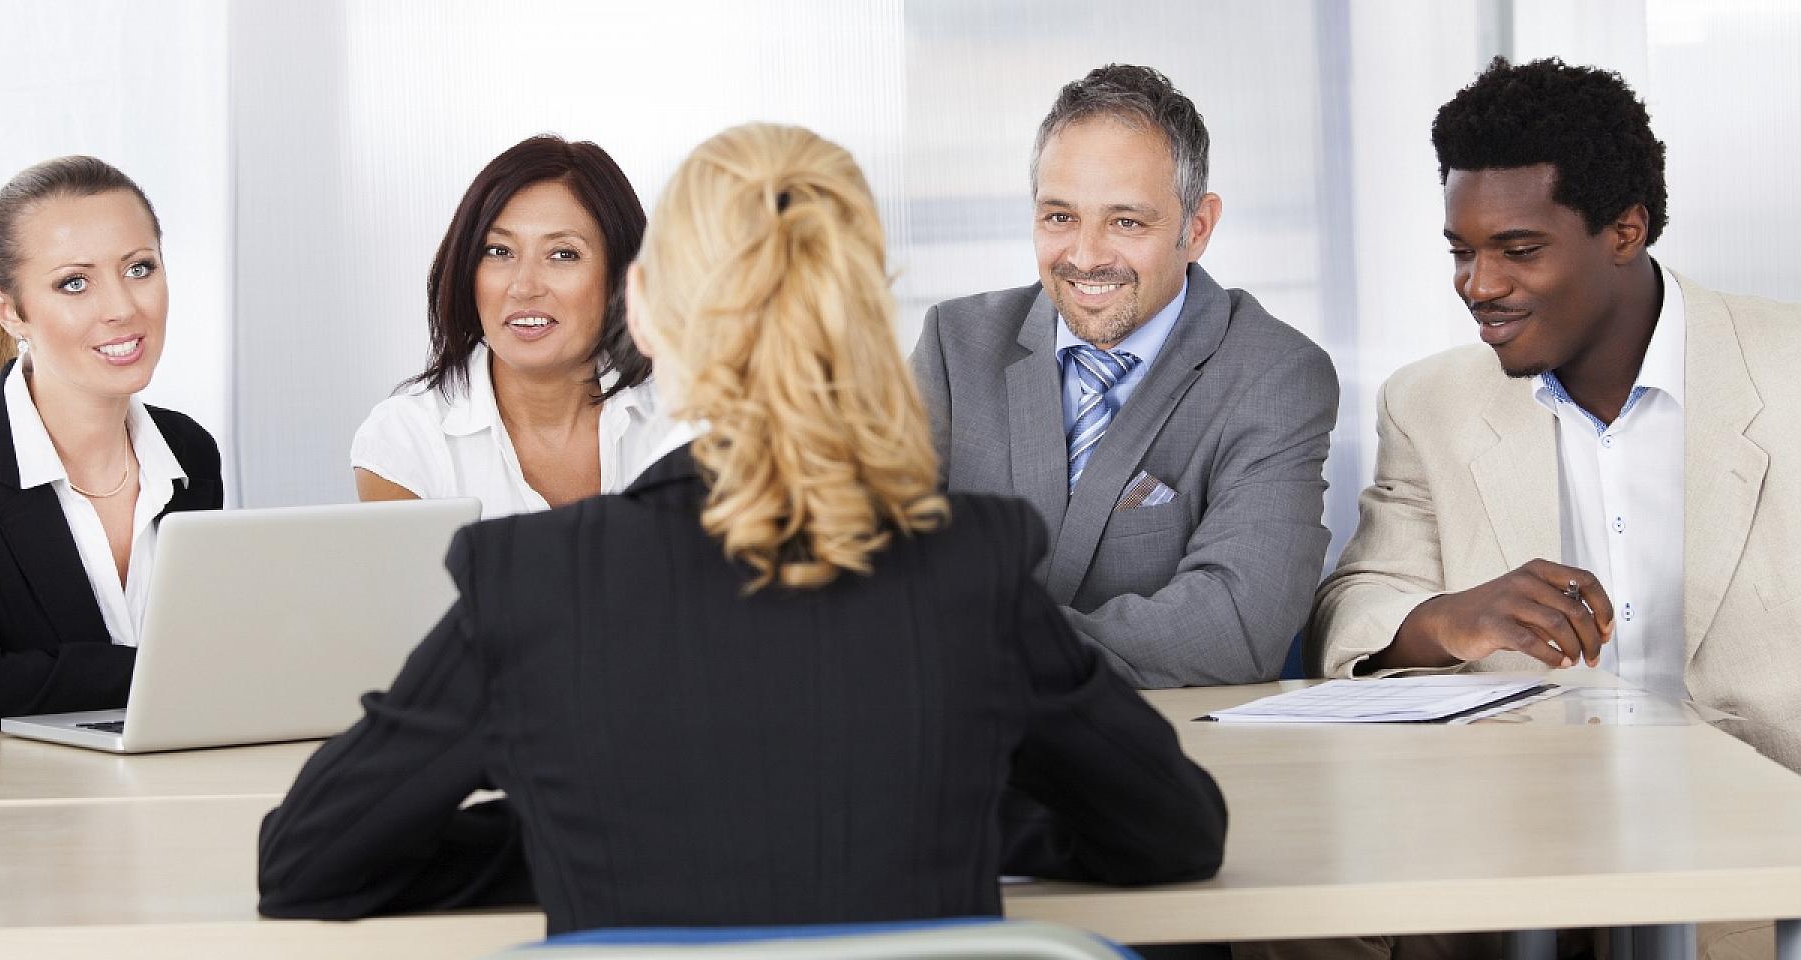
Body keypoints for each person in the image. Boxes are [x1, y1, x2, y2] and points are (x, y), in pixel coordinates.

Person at [257, 123, 1226, 932]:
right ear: (860, 312)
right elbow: (1172, 832)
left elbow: (308, 862)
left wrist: (573, 825)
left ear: (641, 308)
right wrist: (968, 816)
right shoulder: (967, 566)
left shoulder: (536, 582)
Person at [1308, 56, 1801, 960]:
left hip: (1769, 832)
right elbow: (1359, 606)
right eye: (1462, 251)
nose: (1478, 285)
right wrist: (1446, 619)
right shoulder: (1430, 404)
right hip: (1527, 839)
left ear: (1624, 231)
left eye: (1519, 250)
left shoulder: (1789, 373)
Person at [912, 64, 1339, 689]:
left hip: (1162, 750)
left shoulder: (1274, 376)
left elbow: (1236, 625)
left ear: (1197, 228)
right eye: (1060, 217)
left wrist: (976, 653)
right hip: (950, 750)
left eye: (1127, 222)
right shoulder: (956, 346)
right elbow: (862, 559)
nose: (1085, 256)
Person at [0, 156, 222, 810]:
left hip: (136, 810)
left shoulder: (188, 453)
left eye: (139, 268)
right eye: (74, 284)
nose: (123, 307)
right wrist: (157, 673)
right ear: (9, 309)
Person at [350, 135, 674, 517]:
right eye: (499, 251)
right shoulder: (404, 440)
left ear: (621, 275)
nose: (524, 286)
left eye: (563, 254)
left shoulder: (685, 419)